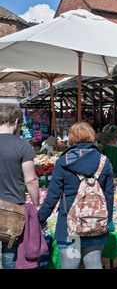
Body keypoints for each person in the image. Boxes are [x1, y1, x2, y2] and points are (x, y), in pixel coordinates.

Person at [38, 122, 114, 269]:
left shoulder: (63, 161)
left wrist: (39, 218)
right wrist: (107, 219)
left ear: (71, 138)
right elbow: (109, 194)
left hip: (69, 225)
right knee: (94, 263)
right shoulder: (104, 161)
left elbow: (53, 196)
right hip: (96, 223)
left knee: (69, 264)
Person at [0, 105, 40, 269]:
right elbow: (30, 180)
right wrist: (36, 204)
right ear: (16, 121)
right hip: (12, 206)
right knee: (9, 252)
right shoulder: (23, 145)